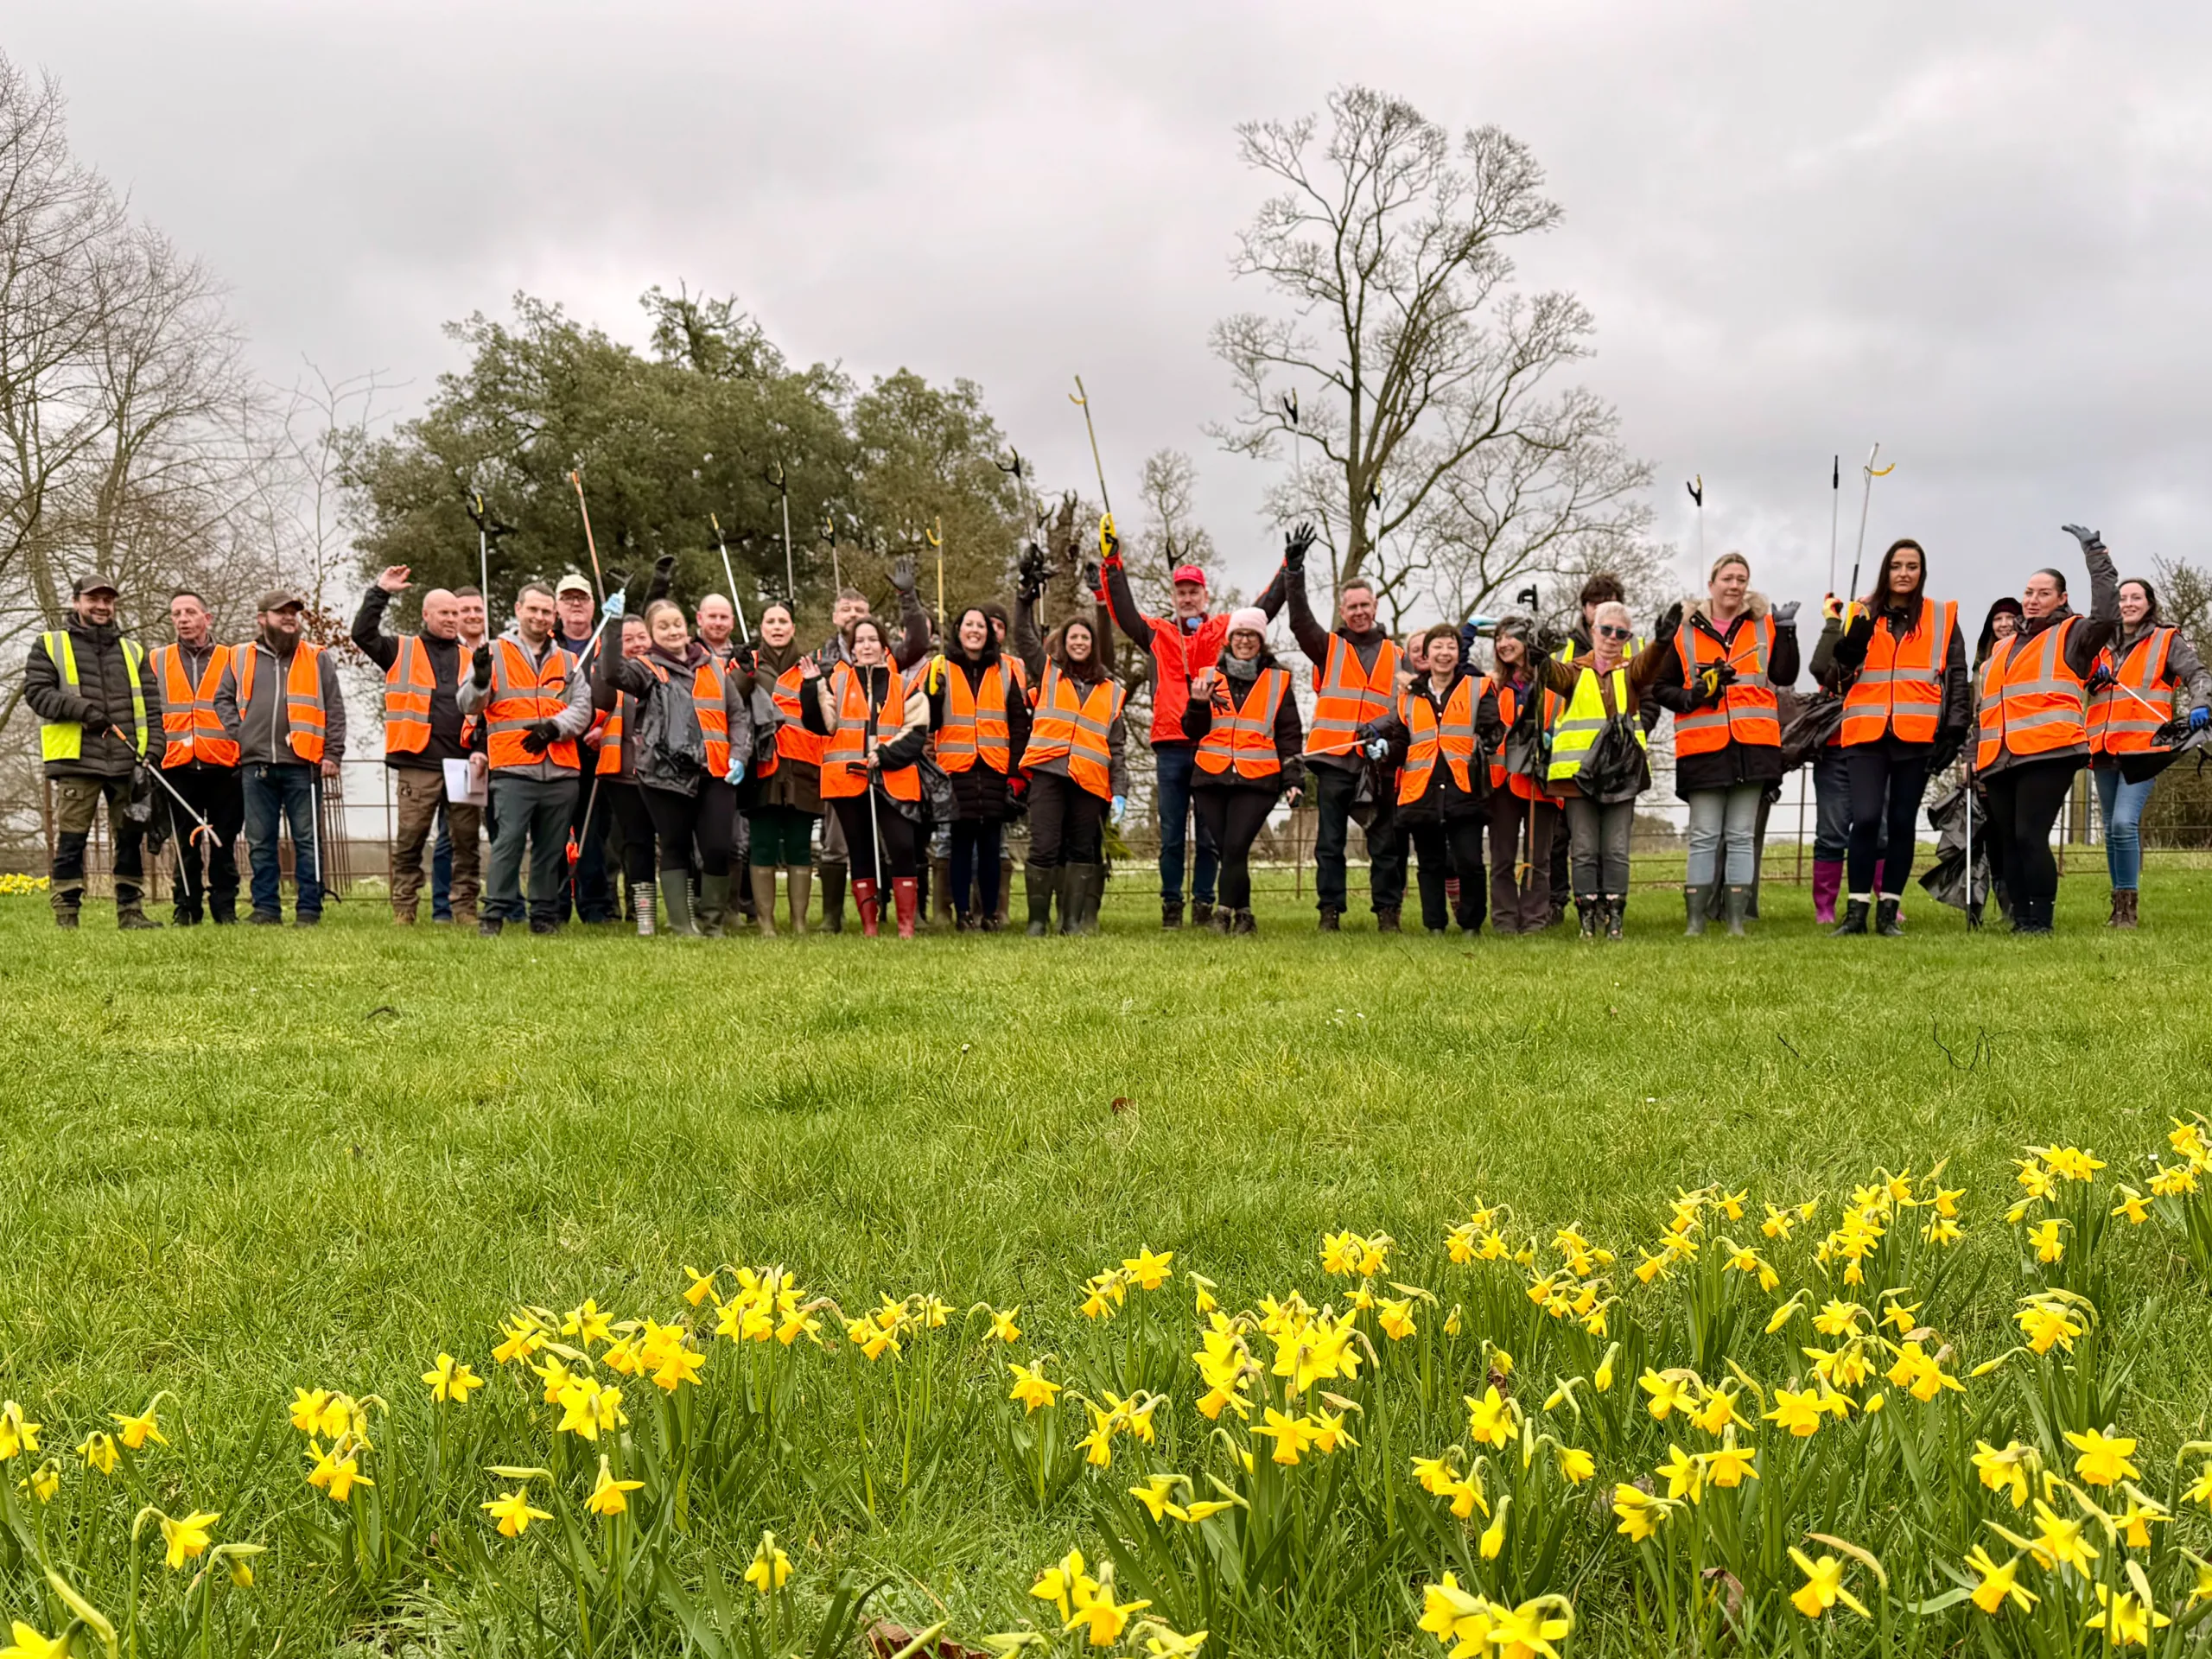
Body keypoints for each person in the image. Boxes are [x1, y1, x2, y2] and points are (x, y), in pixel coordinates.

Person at [1819, 538, 1970, 936]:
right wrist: (1850, 647)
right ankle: (1855, 913)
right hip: (1866, 732)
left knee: (1902, 822)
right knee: (1866, 819)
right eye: (1897, 565)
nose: (1904, 573)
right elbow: (1833, 680)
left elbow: (1957, 676)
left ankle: (1889, 912)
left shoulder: (1942, 616)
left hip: (1916, 733)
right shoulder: (1859, 612)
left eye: (1912, 566)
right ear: (1885, 570)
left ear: (1922, 572)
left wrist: (1954, 732)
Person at [1974, 525, 2120, 935]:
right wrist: (1976, 758)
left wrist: (2097, 558)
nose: (2032, 600)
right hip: (1999, 756)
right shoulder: (2001, 647)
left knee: (2030, 835)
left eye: (2042, 593)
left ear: (2061, 598)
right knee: (2009, 839)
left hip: (2050, 749)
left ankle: (2041, 920)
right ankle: (2021, 919)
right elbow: (1985, 709)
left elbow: (2108, 615)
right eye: (2028, 593)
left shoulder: (2073, 633)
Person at [1649, 554, 1801, 936]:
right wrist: (1695, 694)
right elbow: (1661, 688)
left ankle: (1736, 923)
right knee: (1703, 836)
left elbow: (1784, 674)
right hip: (1703, 748)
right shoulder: (1685, 631)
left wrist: (1787, 632)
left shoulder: (1764, 626)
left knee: (1740, 836)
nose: (1734, 585)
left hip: (1754, 745)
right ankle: (1695, 923)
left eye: (1742, 579)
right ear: (1711, 583)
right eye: (1728, 578)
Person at [1100, 529, 1238, 928]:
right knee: (1173, 834)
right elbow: (1123, 613)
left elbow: (1263, 612)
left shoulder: (1222, 632)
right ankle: (1171, 907)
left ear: (1205, 596)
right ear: (1174, 597)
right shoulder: (1159, 634)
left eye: (1194, 591)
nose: (1188, 597)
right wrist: (1113, 565)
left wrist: (1287, 570)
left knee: (1211, 836)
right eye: (1182, 592)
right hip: (1170, 745)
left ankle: (1204, 905)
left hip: (1213, 742)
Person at [591, 599, 751, 937]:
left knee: (719, 847)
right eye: (663, 626)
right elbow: (610, 673)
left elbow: (737, 715)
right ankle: (682, 925)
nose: (673, 630)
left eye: (676, 623)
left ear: (687, 625)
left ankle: (712, 923)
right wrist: (614, 626)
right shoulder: (645, 669)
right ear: (651, 634)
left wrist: (740, 752)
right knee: (675, 845)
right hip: (663, 774)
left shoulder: (715, 667)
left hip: (716, 770)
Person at [1279, 523, 1406, 931]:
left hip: (1379, 763)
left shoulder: (1399, 656)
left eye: (1365, 605)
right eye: (1351, 607)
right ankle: (1329, 912)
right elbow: (1299, 623)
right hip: (1333, 760)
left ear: (1375, 606)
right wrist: (1293, 573)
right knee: (1329, 844)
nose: (1359, 612)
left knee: (1384, 843)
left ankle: (1388, 912)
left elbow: (1409, 710)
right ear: (1342, 609)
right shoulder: (1327, 648)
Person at [24, 574, 166, 929]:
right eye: (94, 599)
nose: (102, 606)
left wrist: (156, 748)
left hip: (127, 760)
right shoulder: (49, 644)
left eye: (108, 600)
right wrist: (82, 709)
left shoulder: (133, 650)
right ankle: (67, 914)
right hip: (76, 759)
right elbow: (37, 693)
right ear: (76, 603)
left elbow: (151, 705)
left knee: (130, 838)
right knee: (72, 839)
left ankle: (131, 911)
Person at [458, 582, 594, 936]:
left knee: (552, 848)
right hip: (513, 768)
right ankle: (495, 913)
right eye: (533, 609)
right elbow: (469, 706)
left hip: (562, 770)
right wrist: (480, 678)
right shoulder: (493, 653)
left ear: (554, 616)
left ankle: (544, 914)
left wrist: (554, 728)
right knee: (508, 842)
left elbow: (583, 708)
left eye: (546, 611)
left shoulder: (569, 660)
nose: (539, 616)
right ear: (518, 610)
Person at [1538, 600, 1676, 939]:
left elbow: (1649, 666)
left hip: (1620, 775)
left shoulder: (1631, 670)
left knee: (1615, 849)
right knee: (1583, 849)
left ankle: (1614, 918)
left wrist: (1661, 642)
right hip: (1578, 778)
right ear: (1593, 630)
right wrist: (1539, 656)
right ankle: (1586, 919)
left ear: (1628, 636)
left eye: (1621, 632)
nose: (1612, 637)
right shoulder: (1573, 670)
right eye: (1606, 630)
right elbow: (1550, 676)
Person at [353, 565, 481, 925]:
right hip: (417, 762)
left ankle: (465, 909)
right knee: (410, 841)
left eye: (456, 613)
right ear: (426, 614)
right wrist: (380, 592)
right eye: (445, 612)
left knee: (467, 844)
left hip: (464, 763)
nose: (453, 619)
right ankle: (404, 909)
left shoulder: (475, 659)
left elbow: (486, 711)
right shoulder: (399, 649)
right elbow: (362, 634)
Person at [810, 562, 934, 932]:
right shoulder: (836, 679)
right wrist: (808, 688)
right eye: (858, 641)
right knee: (859, 851)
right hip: (849, 780)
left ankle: (907, 924)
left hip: (894, 778)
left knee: (902, 847)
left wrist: (908, 598)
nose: (865, 646)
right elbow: (822, 724)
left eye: (871, 640)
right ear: (851, 647)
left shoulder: (901, 682)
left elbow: (916, 732)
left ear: (884, 646)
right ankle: (869, 925)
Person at [212, 590, 346, 926]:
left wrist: (333, 753)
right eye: (280, 612)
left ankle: (309, 910)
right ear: (262, 619)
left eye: (293, 613)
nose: (289, 618)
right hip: (255, 765)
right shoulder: (238, 656)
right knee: (260, 841)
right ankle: (266, 909)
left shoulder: (317, 657)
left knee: (308, 840)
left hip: (304, 763)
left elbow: (335, 709)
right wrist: (241, 734)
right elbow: (222, 699)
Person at [2088, 576, 2212, 928]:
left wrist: (2201, 702)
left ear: (2149, 603)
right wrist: (2089, 675)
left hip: (2144, 749)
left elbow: (2198, 675)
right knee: (2112, 830)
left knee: (2124, 823)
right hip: (2103, 746)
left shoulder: (2166, 640)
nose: (2128, 603)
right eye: (2123, 598)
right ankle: (2117, 904)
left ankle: (2129, 908)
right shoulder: (2100, 644)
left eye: (2135, 597)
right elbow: (2075, 676)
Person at [1180, 608, 1305, 934]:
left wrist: (1293, 779)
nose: (1244, 641)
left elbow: (1289, 735)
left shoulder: (1279, 681)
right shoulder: (1208, 676)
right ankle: (1245, 915)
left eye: (1251, 635)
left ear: (1261, 641)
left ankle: (1222, 914)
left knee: (1236, 846)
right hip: (1211, 776)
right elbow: (1192, 730)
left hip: (1258, 778)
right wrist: (1196, 703)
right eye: (1239, 635)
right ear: (1229, 639)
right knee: (1228, 850)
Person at [1014, 595, 1128, 936]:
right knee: (1043, 846)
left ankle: (1072, 922)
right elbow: (1023, 635)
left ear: (1093, 646)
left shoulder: (1112, 690)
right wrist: (1024, 599)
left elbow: (1117, 748)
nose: (1079, 642)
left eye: (1085, 638)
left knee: (1081, 849)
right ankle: (1038, 921)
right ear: (1064, 643)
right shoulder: (1048, 672)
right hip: (1049, 774)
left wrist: (1119, 790)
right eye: (1073, 637)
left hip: (1090, 781)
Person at [1373, 627, 1486, 933]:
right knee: (1430, 864)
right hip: (1421, 790)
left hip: (1464, 788)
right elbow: (1401, 740)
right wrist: (1385, 750)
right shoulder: (1409, 696)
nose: (1444, 653)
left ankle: (1471, 924)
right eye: (1438, 647)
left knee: (1470, 862)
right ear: (1426, 654)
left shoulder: (1477, 688)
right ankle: (1434, 925)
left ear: (1458, 653)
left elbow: (1492, 731)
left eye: (1451, 646)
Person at [928, 604, 1031, 931]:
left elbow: (1018, 724)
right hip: (955, 771)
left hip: (994, 769)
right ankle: (961, 913)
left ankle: (990, 914)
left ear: (989, 633)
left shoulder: (1005, 670)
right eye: (969, 624)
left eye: (981, 626)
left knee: (990, 846)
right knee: (958, 844)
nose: (975, 630)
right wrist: (933, 695)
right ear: (958, 630)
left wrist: (1016, 773)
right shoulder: (940, 667)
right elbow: (927, 722)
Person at [149, 589, 242, 925]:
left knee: (223, 842)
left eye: (190, 612)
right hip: (176, 766)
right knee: (184, 844)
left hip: (225, 764)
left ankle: (225, 908)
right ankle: (186, 909)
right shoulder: (157, 659)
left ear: (207, 618)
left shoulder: (233, 658)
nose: (183, 619)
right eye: (176, 614)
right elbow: (148, 709)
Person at [734, 602, 819, 935]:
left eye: (783, 621)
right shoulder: (748, 663)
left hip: (803, 767)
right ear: (762, 627)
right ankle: (766, 922)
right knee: (763, 845)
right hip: (763, 768)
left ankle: (799, 922)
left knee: (800, 846)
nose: (777, 626)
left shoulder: (810, 665)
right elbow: (734, 697)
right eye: (771, 621)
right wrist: (742, 671)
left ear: (793, 628)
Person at [1477, 619, 1561, 934]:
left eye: (1510, 637)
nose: (1503, 643)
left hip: (1541, 780)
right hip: (1501, 782)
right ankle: (1504, 922)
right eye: (1498, 638)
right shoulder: (1491, 686)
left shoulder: (1552, 682)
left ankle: (1535, 922)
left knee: (1538, 858)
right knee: (1501, 858)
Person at [551, 570, 620, 925]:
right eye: (568, 598)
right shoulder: (544, 644)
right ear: (557, 607)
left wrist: (606, 729)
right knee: (555, 832)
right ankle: (556, 906)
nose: (575, 604)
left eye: (582, 598)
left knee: (595, 834)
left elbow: (623, 689)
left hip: (597, 752)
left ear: (594, 604)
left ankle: (598, 908)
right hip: (555, 751)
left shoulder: (608, 640)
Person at [588, 614, 664, 932]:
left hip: (660, 770)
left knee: (663, 842)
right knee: (628, 843)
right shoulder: (609, 672)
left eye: (641, 637)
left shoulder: (664, 669)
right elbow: (594, 707)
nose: (636, 644)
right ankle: (633, 909)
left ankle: (659, 908)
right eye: (628, 639)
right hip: (620, 770)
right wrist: (596, 728)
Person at [1974, 597, 2024, 671]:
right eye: (1998, 619)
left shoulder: (2031, 653)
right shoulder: (1980, 662)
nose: (2004, 624)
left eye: (2010, 617)